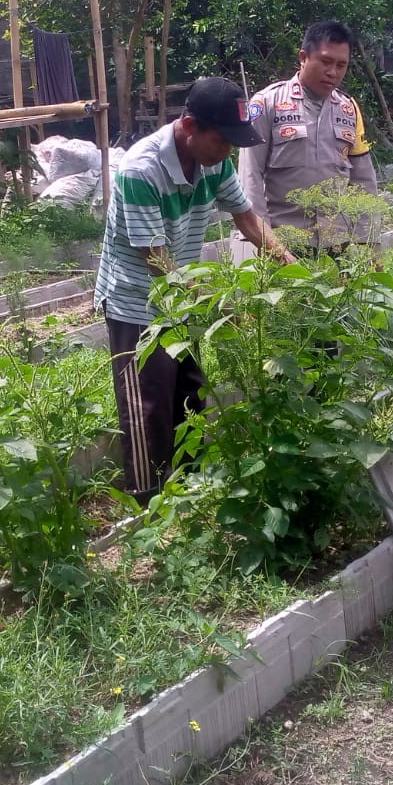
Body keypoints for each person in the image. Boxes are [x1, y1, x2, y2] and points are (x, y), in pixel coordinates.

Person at [94, 76, 295, 501]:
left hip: (181, 297)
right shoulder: (140, 170)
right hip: (137, 302)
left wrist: (290, 264)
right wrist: (222, 306)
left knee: (190, 393)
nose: (228, 151)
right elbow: (157, 262)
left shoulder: (214, 161)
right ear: (190, 126)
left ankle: (191, 492)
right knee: (148, 406)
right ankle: (148, 503)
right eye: (222, 140)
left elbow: (246, 218)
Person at [239, 20, 378, 249]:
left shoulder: (348, 109)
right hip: (285, 241)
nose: (332, 72)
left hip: (337, 242)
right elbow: (250, 175)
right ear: (303, 57)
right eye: (326, 62)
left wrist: (368, 243)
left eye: (341, 65)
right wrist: (264, 241)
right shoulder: (267, 103)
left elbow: (363, 180)